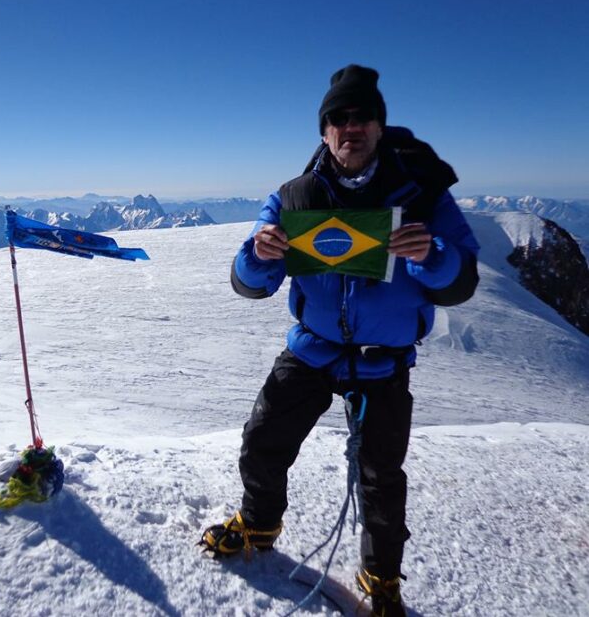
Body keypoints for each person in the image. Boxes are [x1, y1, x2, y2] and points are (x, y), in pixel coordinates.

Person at [199, 65, 480, 617]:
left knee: (380, 477)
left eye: (363, 117)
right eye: (339, 118)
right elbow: (248, 284)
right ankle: (258, 526)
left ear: (379, 126)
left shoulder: (421, 196)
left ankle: (380, 578)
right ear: (324, 131)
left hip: (382, 362)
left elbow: (462, 280)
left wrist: (432, 257)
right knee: (263, 440)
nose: (351, 127)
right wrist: (258, 257)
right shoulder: (294, 197)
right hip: (312, 347)